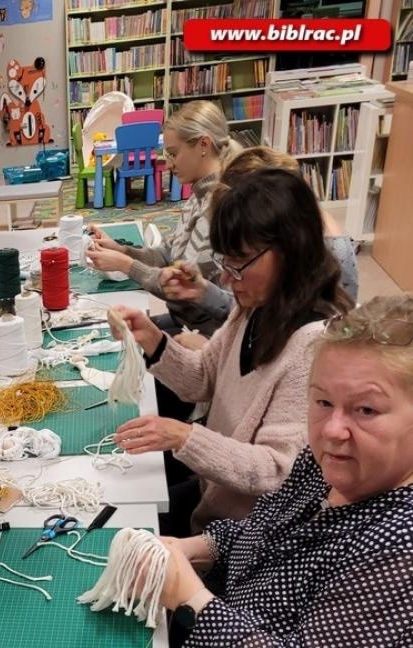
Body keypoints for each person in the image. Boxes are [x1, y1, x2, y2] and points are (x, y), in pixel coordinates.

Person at [152, 294, 413, 648]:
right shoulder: (332, 468)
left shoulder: (398, 549)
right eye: (321, 402)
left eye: (365, 410)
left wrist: (193, 601)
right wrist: (197, 546)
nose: (332, 430)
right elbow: (262, 533)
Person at [110, 169, 351, 535]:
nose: (225, 278)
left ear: (290, 249)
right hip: (214, 498)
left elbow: (275, 470)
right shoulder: (255, 307)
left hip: (244, 538)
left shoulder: (313, 347)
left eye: (238, 261)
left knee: (125, 529)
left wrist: (185, 437)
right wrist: (152, 338)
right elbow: (201, 380)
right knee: (120, 504)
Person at [160, 145, 359, 338]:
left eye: (240, 258)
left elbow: (264, 327)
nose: (225, 277)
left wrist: (210, 356)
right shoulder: (286, 248)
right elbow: (253, 311)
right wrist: (204, 292)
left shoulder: (330, 256)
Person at [85, 100, 238, 337]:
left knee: (127, 344)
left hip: (208, 336)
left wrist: (125, 265)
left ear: (203, 145)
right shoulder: (197, 196)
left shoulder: (221, 208)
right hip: (187, 322)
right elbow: (167, 255)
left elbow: (182, 285)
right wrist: (122, 251)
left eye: (174, 154)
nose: (168, 164)